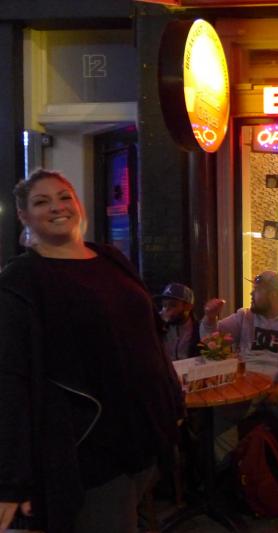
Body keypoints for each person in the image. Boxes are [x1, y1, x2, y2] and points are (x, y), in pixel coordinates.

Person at [0, 169, 182, 533]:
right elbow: (10, 379)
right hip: (89, 445)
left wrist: (172, 401)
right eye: (42, 202)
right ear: (24, 216)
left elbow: (150, 333)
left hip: (145, 434)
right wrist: (12, 480)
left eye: (64, 197)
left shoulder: (109, 257)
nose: (57, 207)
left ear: (78, 204)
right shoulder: (21, 279)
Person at [202, 271, 278, 503]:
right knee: (220, 413)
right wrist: (210, 319)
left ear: (273, 295)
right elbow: (211, 340)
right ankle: (226, 476)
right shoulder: (244, 317)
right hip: (247, 386)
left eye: (257, 290)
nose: (251, 294)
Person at [157, 282, 200, 361]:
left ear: (188, 307)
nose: (167, 309)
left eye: (173, 305)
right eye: (164, 305)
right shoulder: (158, 326)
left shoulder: (198, 329)